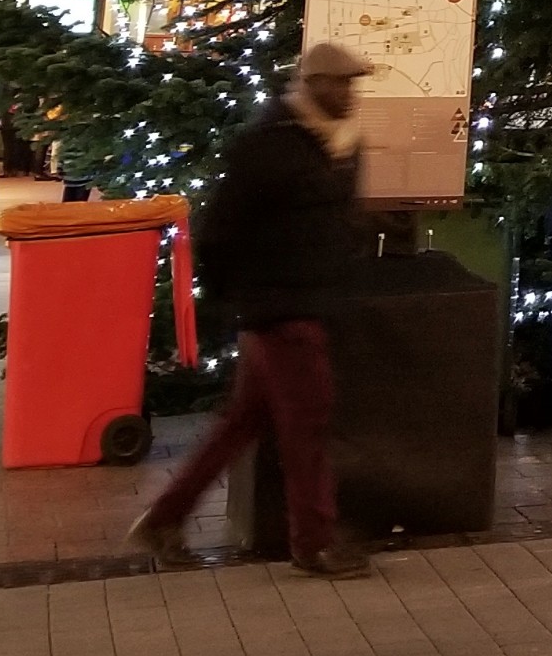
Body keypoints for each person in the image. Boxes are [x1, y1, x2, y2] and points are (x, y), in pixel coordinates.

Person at [129, 39, 376, 577]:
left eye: (354, 83)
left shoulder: (341, 144)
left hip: (306, 302)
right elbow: (220, 228)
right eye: (340, 83)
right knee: (307, 427)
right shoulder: (270, 144)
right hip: (282, 307)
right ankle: (314, 542)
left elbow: (340, 226)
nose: (350, 93)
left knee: (241, 424)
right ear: (312, 85)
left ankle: (164, 518)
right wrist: (233, 298)